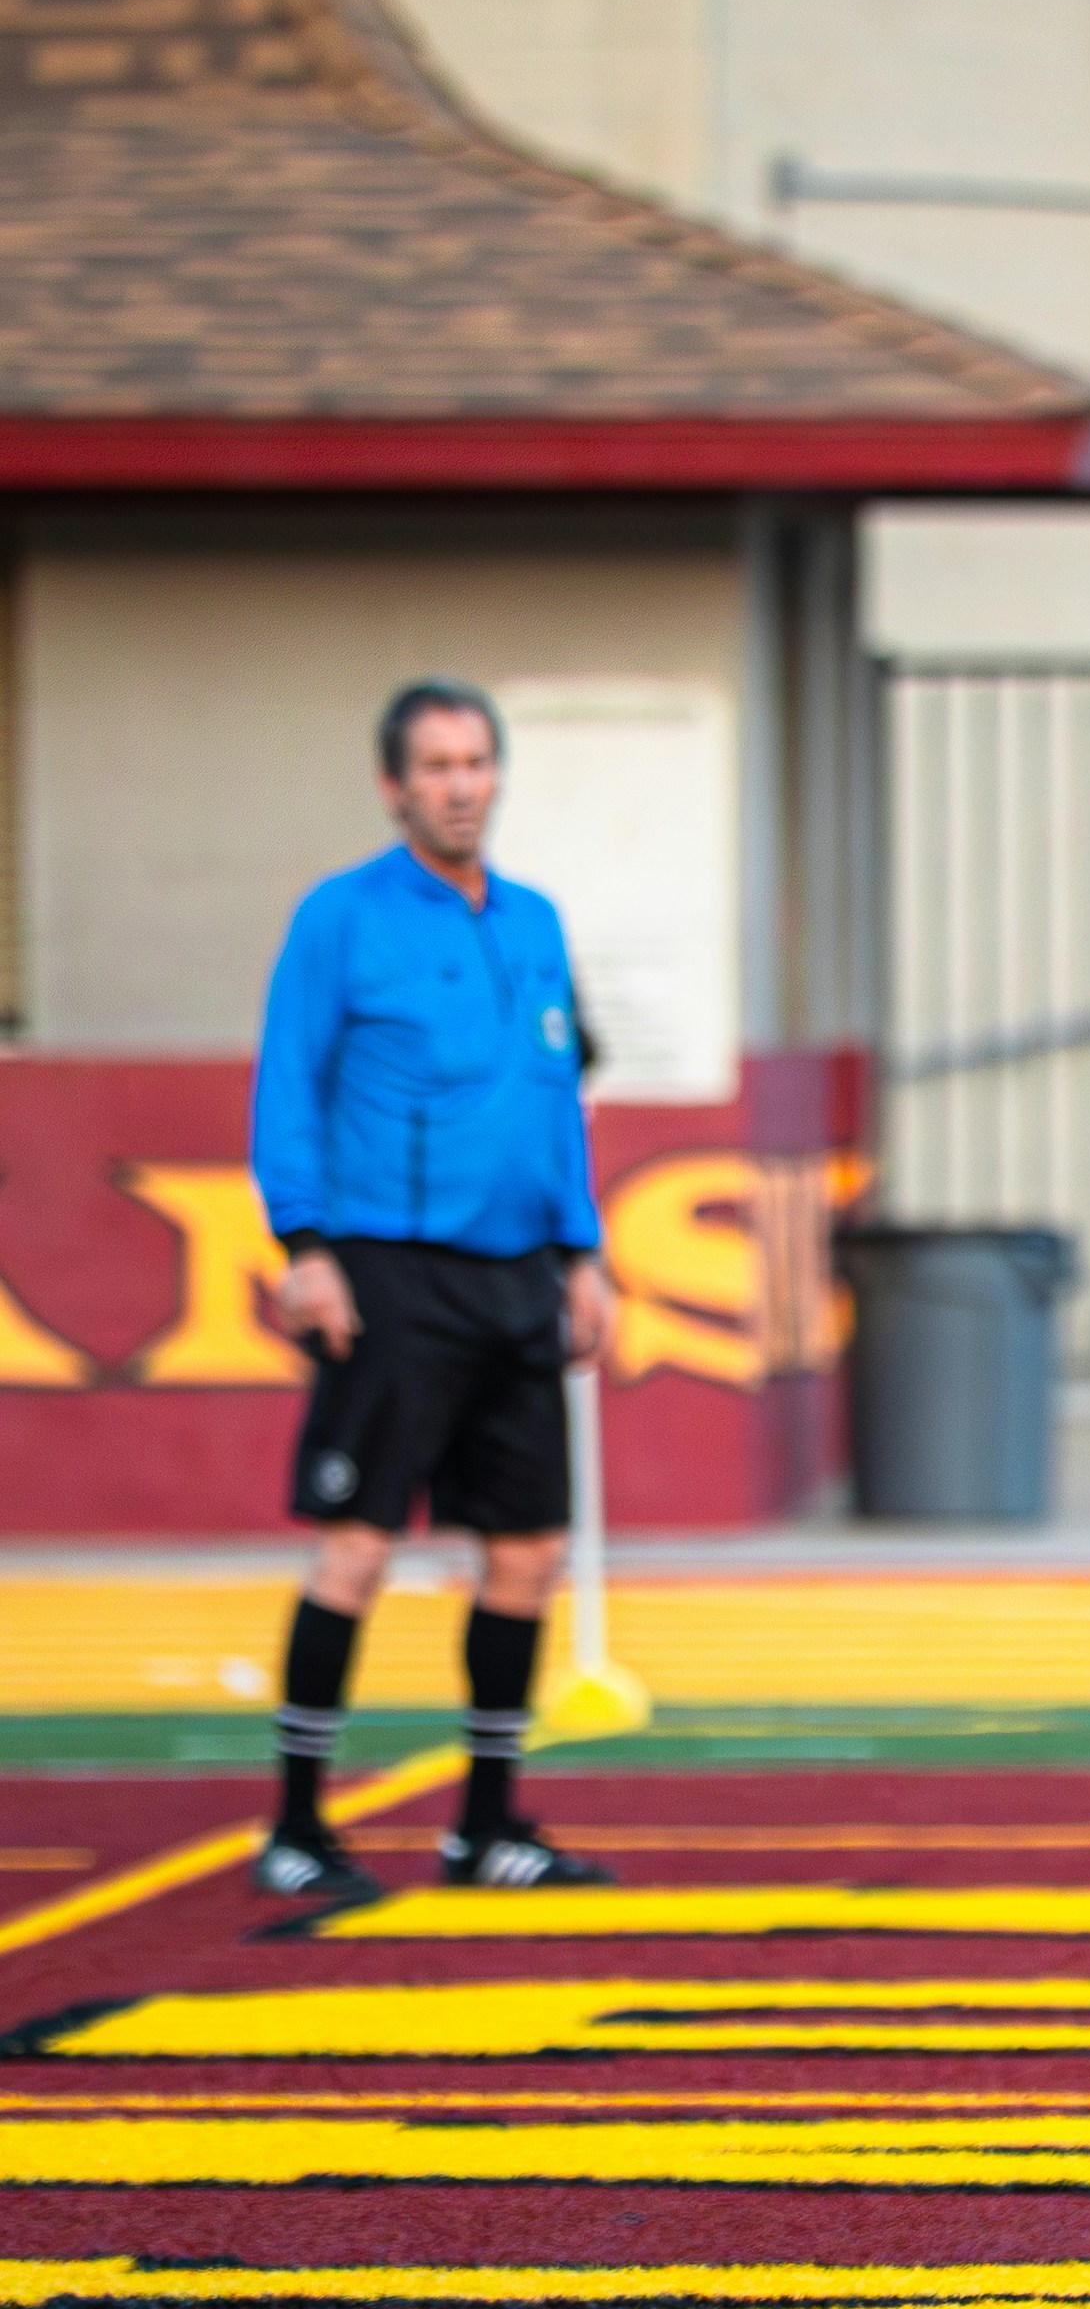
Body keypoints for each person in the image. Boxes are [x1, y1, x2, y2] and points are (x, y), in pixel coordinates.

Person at [246, 677, 621, 1902]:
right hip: (388, 1275)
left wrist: (583, 1253)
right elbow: (288, 1085)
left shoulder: (533, 921)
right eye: (438, 765)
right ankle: (299, 1825)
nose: (461, 783)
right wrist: (304, 1244)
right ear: (395, 784)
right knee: (355, 1548)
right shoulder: (339, 919)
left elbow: (556, 1095)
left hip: (520, 1279)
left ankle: (486, 1826)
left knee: (528, 1556)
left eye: (477, 762)